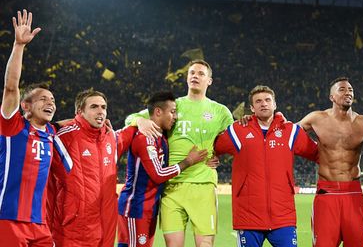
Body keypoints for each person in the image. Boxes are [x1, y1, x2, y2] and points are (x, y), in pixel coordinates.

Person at [128, 59, 233, 247]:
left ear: (209, 81)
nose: (195, 76)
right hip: (171, 186)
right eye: (192, 72)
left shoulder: (220, 111)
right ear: (187, 78)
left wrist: (219, 155)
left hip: (203, 184)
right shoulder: (173, 106)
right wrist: (140, 121)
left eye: (201, 73)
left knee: (205, 244)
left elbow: (232, 140)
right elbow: (130, 118)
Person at [214, 85, 318, 247]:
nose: (263, 104)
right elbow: (213, 147)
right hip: (248, 218)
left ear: (275, 104)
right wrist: (211, 157)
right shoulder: (238, 130)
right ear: (252, 108)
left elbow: (318, 154)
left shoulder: (290, 131)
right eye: (258, 101)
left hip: (282, 217)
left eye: (268, 100)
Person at [0, 9, 71, 247]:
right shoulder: (13, 126)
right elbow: (11, 88)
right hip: (8, 218)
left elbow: (72, 123)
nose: (50, 103)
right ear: (26, 107)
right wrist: (19, 45)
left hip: (39, 223)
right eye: (43, 99)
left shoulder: (50, 133)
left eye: (52, 100)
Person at [117, 91, 208, 247]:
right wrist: (189, 161)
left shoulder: (162, 136)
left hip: (149, 207)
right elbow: (158, 175)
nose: (175, 116)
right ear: (158, 112)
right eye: (172, 112)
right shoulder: (144, 138)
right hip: (135, 207)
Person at [48, 89, 136, 247]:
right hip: (73, 232)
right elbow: (33, 132)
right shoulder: (63, 138)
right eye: (94, 107)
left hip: (106, 230)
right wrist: (53, 125)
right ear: (79, 111)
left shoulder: (111, 137)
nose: (101, 111)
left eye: (103, 107)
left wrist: (140, 120)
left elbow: (131, 129)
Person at [298, 77, 363, 247]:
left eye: (350, 90)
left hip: (353, 193)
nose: (348, 92)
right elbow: (288, 135)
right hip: (327, 193)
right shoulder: (316, 118)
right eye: (342, 89)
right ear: (331, 97)